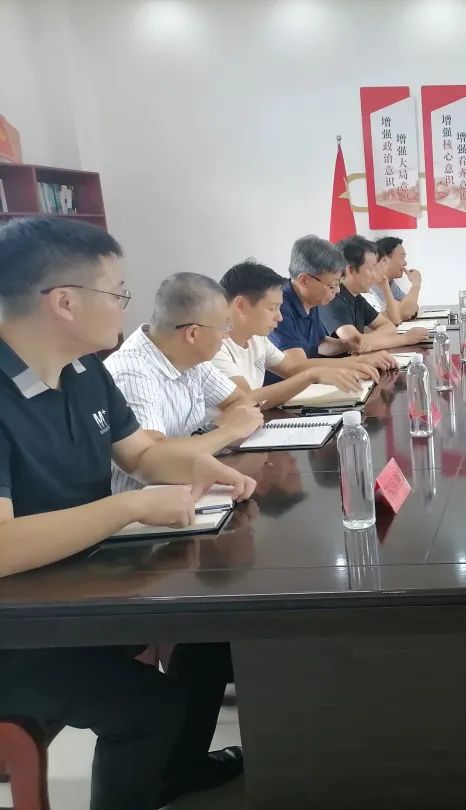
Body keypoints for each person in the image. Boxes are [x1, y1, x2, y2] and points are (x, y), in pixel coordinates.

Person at [0, 217, 256, 809]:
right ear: (64, 302)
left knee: (208, 642)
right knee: (149, 706)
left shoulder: (84, 369)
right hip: (17, 628)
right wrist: (128, 507)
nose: (126, 306)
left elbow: (139, 453)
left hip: (78, 589)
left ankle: (178, 772)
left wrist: (198, 465)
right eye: (117, 292)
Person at [105, 273, 264, 492]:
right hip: (148, 503)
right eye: (223, 326)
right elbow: (154, 461)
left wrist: (212, 433)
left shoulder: (193, 359)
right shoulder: (132, 372)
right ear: (192, 334)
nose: (226, 335)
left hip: (191, 488)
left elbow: (241, 401)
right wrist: (226, 431)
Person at [215, 260, 381, 408]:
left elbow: (293, 368)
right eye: (272, 308)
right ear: (241, 305)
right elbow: (246, 401)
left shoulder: (257, 339)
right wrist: (313, 375)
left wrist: (356, 364)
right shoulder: (216, 347)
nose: (279, 317)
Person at [267, 235, 394, 383]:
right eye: (332, 285)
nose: (338, 290)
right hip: (282, 391)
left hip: (308, 385)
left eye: (338, 283)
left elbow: (320, 344)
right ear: (304, 280)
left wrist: (347, 344)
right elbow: (297, 365)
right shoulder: (279, 306)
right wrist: (358, 362)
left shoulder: (311, 300)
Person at [323, 236, 430, 350]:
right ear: (350, 270)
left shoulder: (356, 297)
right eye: (371, 269)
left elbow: (389, 327)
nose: (375, 275)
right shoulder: (333, 299)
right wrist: (405, 339)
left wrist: (364, 340)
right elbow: (355, 343)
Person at [372, 236, 422, 323]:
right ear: (385, 260)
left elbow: (413, 307)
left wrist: (405, 307)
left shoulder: (390, 283)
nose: (405, 263)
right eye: (401, 258)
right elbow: (404, 313)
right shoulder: (374, 284)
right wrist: (416, 284)